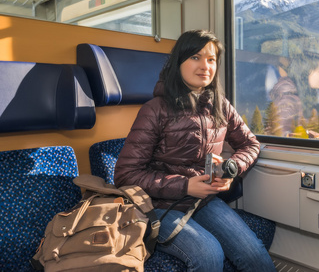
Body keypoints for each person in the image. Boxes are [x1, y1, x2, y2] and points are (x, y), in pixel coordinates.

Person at [114, 29, 276, 272]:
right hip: (159, 205)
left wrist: (232, 169)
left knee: (255, 256)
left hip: (204, 201)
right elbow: (125, 175)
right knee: (209, 255)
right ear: (179, 61)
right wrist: (185, 185)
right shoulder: (155, 109)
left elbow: (250, 144)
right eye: (195, 57)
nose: (205, 66)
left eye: (211, 60)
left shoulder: (220, 106)